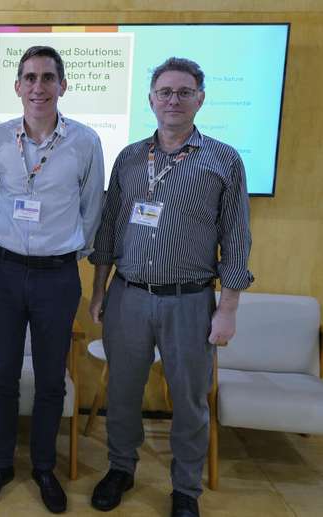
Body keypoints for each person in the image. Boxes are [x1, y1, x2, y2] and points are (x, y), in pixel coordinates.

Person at [88, 57, 253, 517]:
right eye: (165, 92)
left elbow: (237, 237)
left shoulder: (223, 159)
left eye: (184, 92)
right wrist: (99, 290)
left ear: (200, 99)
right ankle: (121, 468)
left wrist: (228, 309)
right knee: (122, 392)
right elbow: (108, 231)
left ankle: (185, 490)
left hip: (190, 300)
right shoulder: (129, 157)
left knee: (190, 400)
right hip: (128, 295)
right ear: (151, 100)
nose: (173, 100)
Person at [0, 45, 104, 514]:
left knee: (51, 379)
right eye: (30, 77)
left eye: (48, 77)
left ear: (63, 85)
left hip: (57, 277)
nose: (38, 86)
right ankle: (1, 465)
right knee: (2, 376)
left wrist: (65, 252)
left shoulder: (85, 142)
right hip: (4, 272)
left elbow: (92, 208)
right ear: (17, 86)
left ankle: (44, 468)